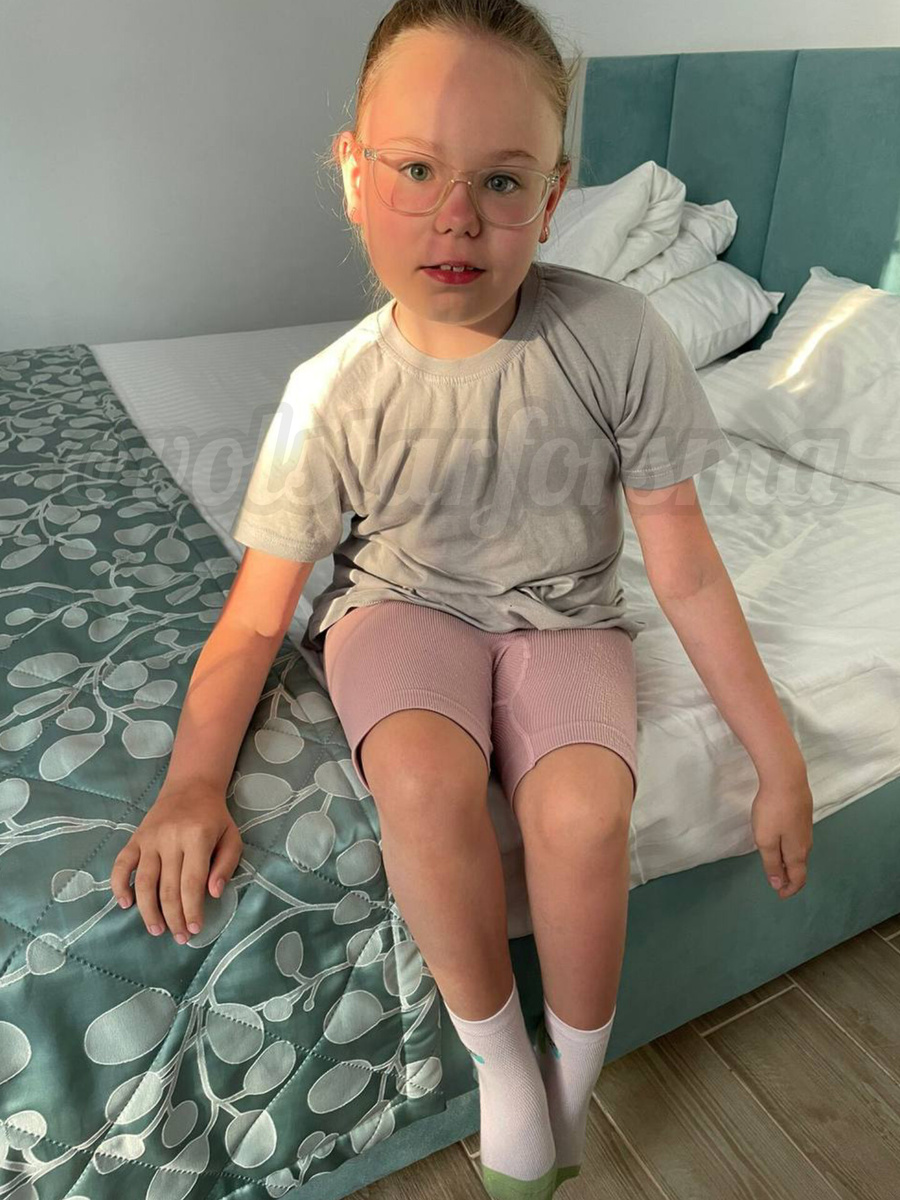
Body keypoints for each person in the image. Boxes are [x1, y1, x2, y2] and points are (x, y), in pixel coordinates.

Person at [110, 2, 814, 1196]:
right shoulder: (332, 392)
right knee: (427, 782)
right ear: (354, 175)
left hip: (566, 616)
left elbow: (685, 564)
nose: (457, 216)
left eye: (500, 179)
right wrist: (191, 782)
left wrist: (776, 751)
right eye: (417, 169)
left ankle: (571, 1080)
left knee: (586, 812)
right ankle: (498, 1063)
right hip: (401, 610)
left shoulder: (619, 335)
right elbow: (258, 616)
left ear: (553, 195)